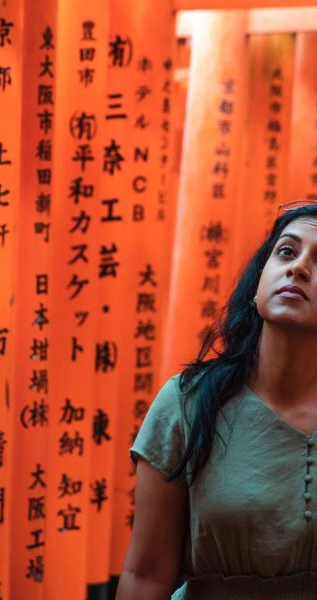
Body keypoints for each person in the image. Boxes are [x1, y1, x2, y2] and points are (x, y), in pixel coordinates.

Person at [116, 202, 317, 600]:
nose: (298, 268)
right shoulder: (187, 403)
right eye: (287, 252)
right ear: (259, 281)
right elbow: (145, 576)